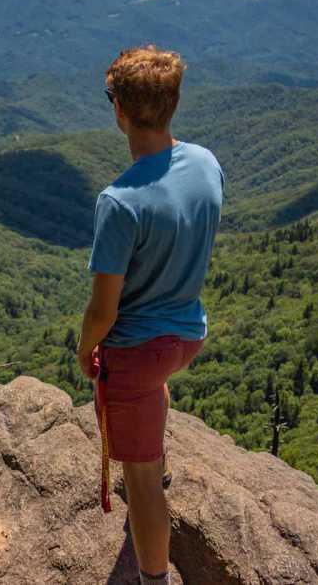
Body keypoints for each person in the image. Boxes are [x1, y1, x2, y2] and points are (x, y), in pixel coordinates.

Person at [75, 45, 224, 585]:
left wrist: (83, 346)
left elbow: (103, 309)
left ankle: (154, 576)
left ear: (119, 111)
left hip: (139, 351)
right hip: (189, 334)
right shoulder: (206, 163)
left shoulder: (119, 202)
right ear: (173, 103)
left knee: (138, 482)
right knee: (151, 387)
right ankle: (152, 458)